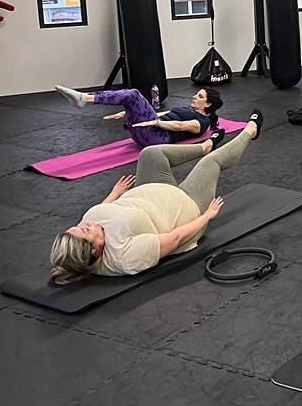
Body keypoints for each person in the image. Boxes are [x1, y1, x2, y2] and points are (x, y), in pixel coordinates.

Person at [49, 110, 263, 284]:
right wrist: (207, 216)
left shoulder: (86, 235)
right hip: (186, 207)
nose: (86, 223)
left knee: (150, 154)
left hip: (152, 191)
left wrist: (114, 194)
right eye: (85, 229)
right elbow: (176, 238)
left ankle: (204, 146)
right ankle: (250, 132)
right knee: (210, 164)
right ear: (95, 248)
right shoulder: (126, 257)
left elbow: (100, 212)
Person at [54, 85, 223, 148]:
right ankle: (85, 98)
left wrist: (155, 123)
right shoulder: (189, 110)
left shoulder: (202, 122)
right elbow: (163, 114)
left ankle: (85, 99)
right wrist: (127, 112)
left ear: (208, 104)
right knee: (130, 99)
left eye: (200, 96)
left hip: (155, 136)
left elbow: (179, 126)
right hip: (143, 132)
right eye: (196, 94)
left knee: (134, 94)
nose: (194, 96)